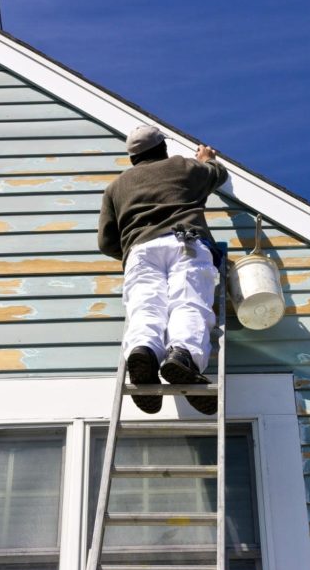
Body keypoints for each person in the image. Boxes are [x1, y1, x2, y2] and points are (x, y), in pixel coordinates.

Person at [98, 125, 228, 415]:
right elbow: (217, 175)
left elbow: (106, 242)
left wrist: (133, 247)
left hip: (139, 252)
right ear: (163, 148)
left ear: (133, 157)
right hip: (185, 243)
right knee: (189, 301)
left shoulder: (116, 188)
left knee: (146, 306)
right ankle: (183, 356)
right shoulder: (183, 167)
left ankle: (143, 351)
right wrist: (207, 158)